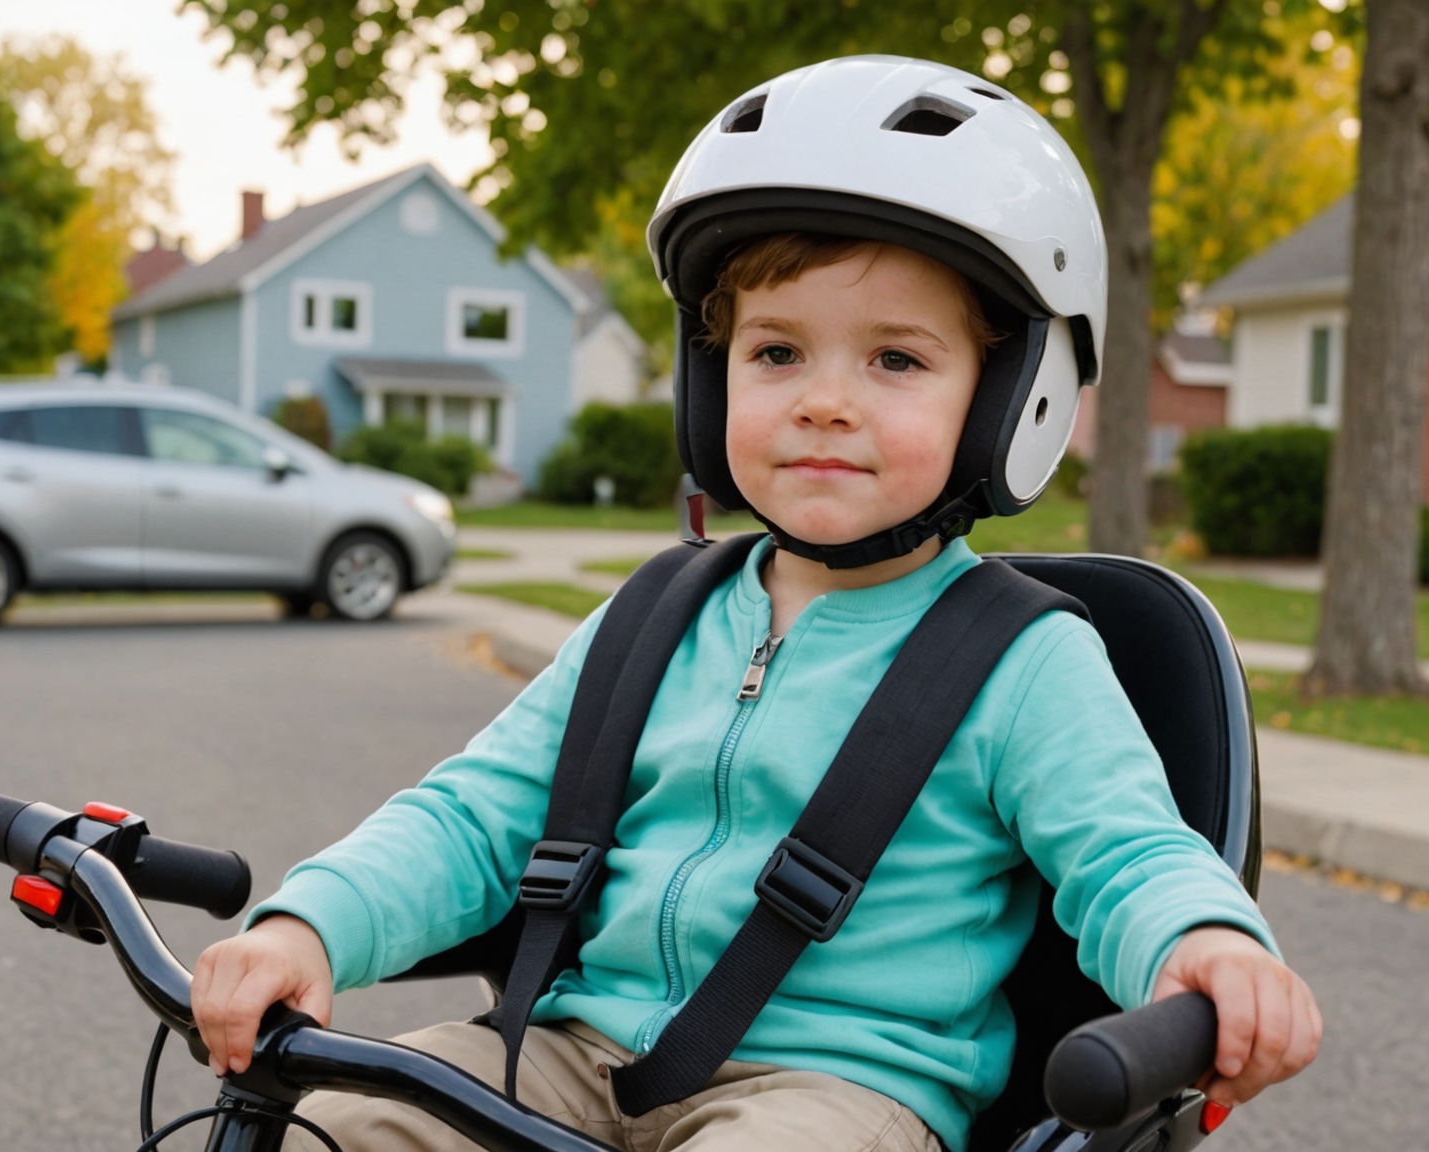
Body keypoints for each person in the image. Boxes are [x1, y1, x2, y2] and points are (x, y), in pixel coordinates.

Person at [192, 56, 1320, 1152]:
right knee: (331, 1121)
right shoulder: (649, 619)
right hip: (575, 1051)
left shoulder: (1026, 662)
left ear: (1015, 399)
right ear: (706, 377)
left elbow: (1128, 852)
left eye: (895, 361)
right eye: (776, 351)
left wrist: (1209, 943)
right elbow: (476, 813)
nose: (825, 401)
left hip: (844, 1088)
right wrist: (312, 922)